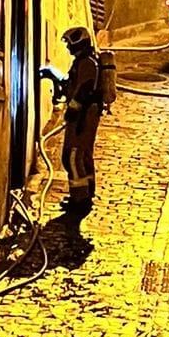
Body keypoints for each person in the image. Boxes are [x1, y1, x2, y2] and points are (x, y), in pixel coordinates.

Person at [42, 26, 107, 219]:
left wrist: (73, 109)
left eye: (70, 44)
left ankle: (79, 200)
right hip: (85, 115)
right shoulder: (84, 61)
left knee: (73, 156)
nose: (68, 48)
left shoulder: (87, 63)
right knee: (83, 155)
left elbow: (84, 89)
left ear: (78, 43)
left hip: (83, 117)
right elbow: (73, 84)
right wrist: (53, 75)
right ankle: (86, 194)